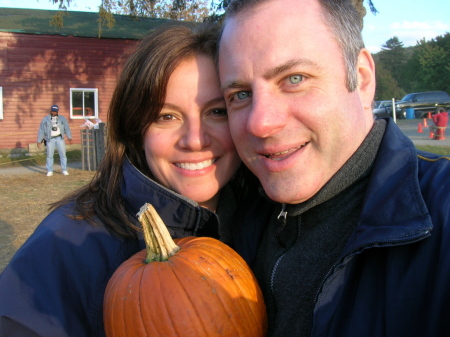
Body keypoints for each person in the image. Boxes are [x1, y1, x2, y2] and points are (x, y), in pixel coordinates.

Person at [218, 0, 450, 336]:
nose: (260, 123)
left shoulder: (440, 219)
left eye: (294, 78)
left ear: (362, 79)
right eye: (240, 95)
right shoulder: (238, 216)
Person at [0, 23, 242, 336]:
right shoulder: (65, 246)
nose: (195, 140)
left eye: (217, 111)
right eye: (166, 116)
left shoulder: (269, 217)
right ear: (135, 128)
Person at [37, 104, 73, 176]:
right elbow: (41, 130)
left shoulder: (62, 119)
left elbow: (67, 128)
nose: (54, 113)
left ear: (57, 112)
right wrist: (39, 140)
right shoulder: (45, 119)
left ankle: (64, 169)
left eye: (55, 111)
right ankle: (50, 170)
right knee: (49, 155)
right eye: (53, 111)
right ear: (50, 111)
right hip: (50, 139)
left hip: (60, 138)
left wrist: (69, 137)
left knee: (63, 154)